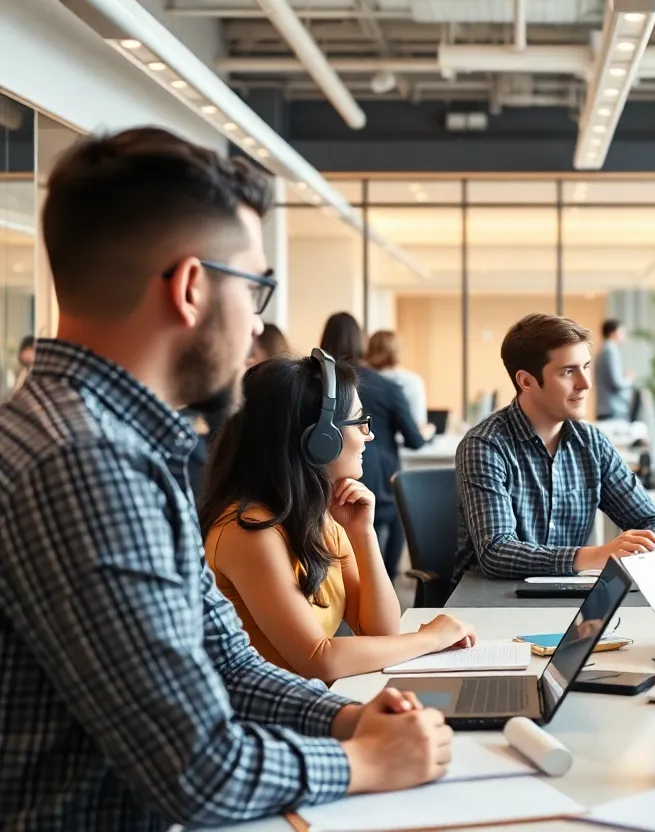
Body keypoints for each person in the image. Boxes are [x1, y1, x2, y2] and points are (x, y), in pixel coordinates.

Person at [0, 128, 452, 829]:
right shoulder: (86, 464)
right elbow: (196, 769)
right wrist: (366, 762)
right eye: (257, 289)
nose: (254, 329)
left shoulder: (114, 444)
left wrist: (351, 716)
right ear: (191, 287)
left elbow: (229, 664)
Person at [201, 352, 476, 683]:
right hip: (266, 723)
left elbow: (381, 631)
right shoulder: (248, 531)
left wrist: (363, 533)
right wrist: (431, 639)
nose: (368, 435)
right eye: (359, 422)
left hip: (313, 701)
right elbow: (320, 660)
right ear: (320, 441)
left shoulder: (319, 516)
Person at [455, 313, 655, 581]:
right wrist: (599, 555)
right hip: (487, 603)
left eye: (586, 367)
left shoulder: (592, 444)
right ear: (526, 381)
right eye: (568, 371)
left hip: (569, 596)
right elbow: (496, 553)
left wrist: (643, 547)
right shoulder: (485, 446)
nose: (585, 384)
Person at [320, 312, 425, 582]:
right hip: (381, 479)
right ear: (360, 342)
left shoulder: (314, 385)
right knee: (386, 538)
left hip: (322, 480)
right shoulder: (387, 386)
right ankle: (385, 582)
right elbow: (414, 439)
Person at [367, 328, 427, 428]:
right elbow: (418, 424)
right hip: (404, 441)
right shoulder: (412, 381)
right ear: (398, 351)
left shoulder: (362, 380)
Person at [594, 318, 631, 421]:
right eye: (622, 331)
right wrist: (628, 379)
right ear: (612, 333)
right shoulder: (610, 350)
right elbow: (616, 382)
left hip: (606, 408)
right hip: (613, 409)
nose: (624, 335)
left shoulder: (602, 349)